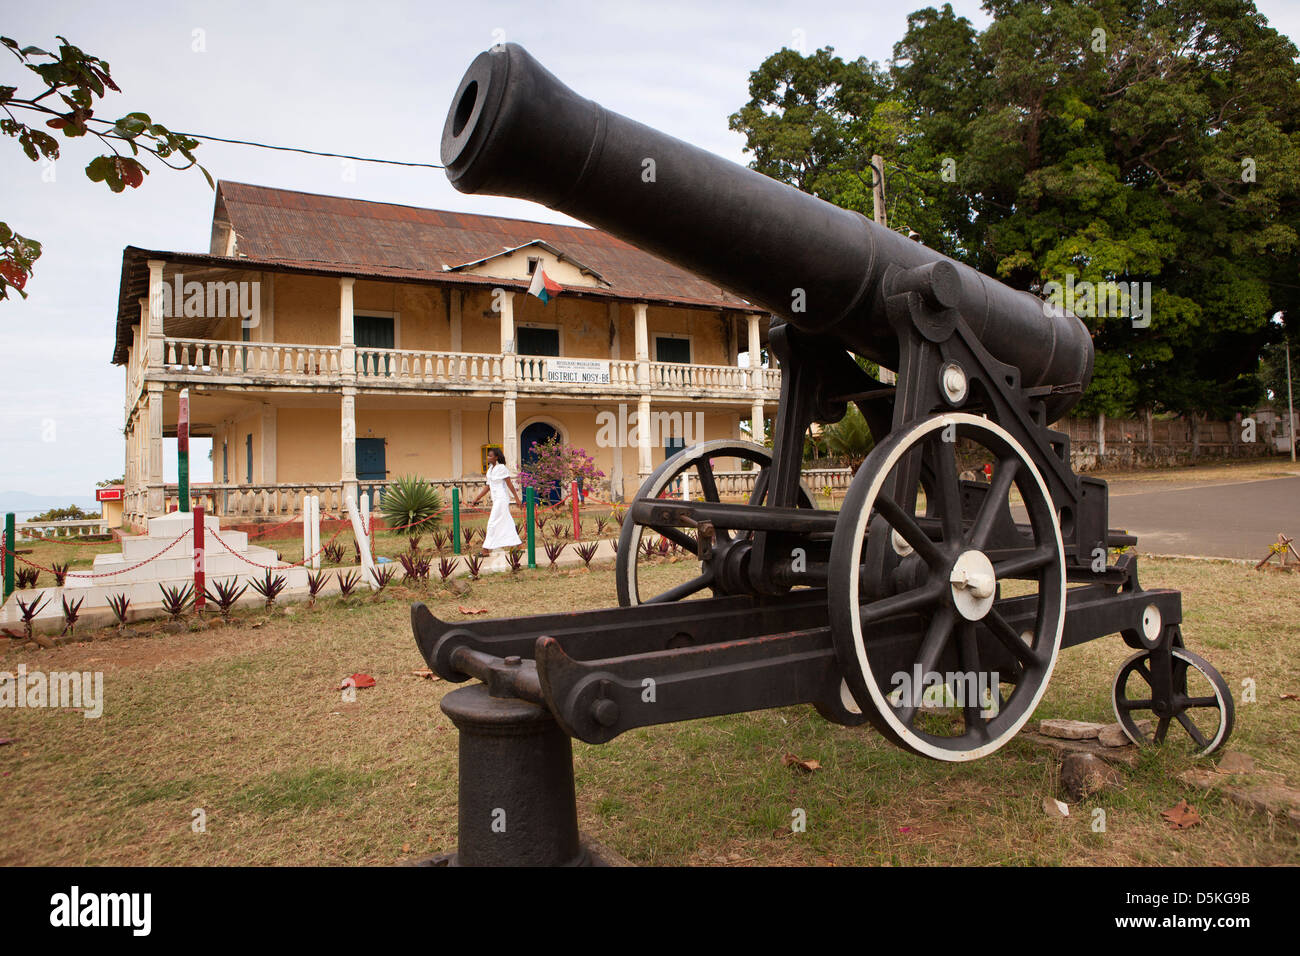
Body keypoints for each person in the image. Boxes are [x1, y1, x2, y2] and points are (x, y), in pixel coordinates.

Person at [471, 447, 522, 554]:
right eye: (488, 455)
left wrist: (517, 498)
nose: (488, 457)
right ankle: (519, 545)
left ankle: (486, 549)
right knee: (507, 522)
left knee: (492, 523)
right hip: (496, 499)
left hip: (502, 499)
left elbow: (509, 485)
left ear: (496, 457)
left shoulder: (502, 468)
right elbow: (488, 486)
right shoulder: (490, 470)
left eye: (490, 456)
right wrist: (477, 498)